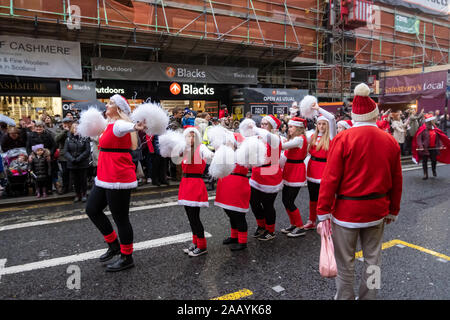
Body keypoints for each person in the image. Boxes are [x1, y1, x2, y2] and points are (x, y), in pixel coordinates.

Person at [316, 83, 403, 300]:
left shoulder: (343, 139)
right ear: (374, 115)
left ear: (354, 116)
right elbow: (397, 180)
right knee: (374, 260)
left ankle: (345, 297)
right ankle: (369, 296)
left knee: (345, 261)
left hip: (346, 212)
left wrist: (323, 210)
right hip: (377, 210)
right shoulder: (390, 140)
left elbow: (330, 178)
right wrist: (393, 209)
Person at [85, 94, 146, 272]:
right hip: (105, 175)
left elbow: (127, 126)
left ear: (118, 109)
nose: (106, 105)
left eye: (110, 103)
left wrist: (135, 126)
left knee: (120, 218)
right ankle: (113, 245)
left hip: (118, 176)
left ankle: (127, 257)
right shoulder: (109, 124)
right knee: (92, 209)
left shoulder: (119, 124)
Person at [178, 126, 214, 257]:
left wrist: (212, 155)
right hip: (186, 183)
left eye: (193, 136)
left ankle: (202, 246)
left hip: (195, 184)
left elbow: (209, 155)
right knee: (190, 217)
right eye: (189, 135)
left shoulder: (201, 147)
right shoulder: (184, 148)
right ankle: (196, 243)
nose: (191, 138)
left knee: (195, 217)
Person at [249, 115, 283, 241]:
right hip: (256, 174)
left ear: (272, 127)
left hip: (270, 175)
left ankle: (270, 230)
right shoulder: (259, 137)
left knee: (268, 205)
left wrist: (255, 128)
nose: (262, 126)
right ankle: (261, 225)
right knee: (254, 202)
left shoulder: (275, 138)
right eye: (261, 124)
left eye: (265, 124)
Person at [303, 101, 337, 230]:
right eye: (319, 124)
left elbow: (332, 118)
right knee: (312, 197)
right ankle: (312, 220)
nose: (321, 126)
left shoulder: (332, 137)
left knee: (326, 198)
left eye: (324, 124)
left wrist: (319, 109)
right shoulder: (311, 136)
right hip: (312, 169)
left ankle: (328, 220)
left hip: (324, 170)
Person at [214, 132, 250, 251]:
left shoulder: (243, 154)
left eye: (229, 141)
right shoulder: (224, 153)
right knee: (229, 212)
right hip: (225, 183)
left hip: (238, 184)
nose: (227, 143)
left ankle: (242, 241)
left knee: (238, 214)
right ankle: (234, 236)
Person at [280, 117, 308, 238]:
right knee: (285, 200)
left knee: (289, 201)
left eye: (291, 127)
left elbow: (282, 146)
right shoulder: (294, 139)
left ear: (298, 128)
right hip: (289, 170)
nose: (288, 129)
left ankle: (300, 226)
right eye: (289, 126)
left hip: (296, 171)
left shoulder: (300, 139)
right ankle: (294, 224)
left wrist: (271, 138)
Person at [413, 114, 450, 179]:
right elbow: (418, 138)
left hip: (434, 148)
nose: (431, 122)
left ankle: (433, 170)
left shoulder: (435, 129)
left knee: (434, 160)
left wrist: (441, 145)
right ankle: (425, 174)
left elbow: (438, 138)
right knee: (424, 161)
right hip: (425, 148)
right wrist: (421, 146)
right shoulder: (422, 129)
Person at [64, 122, 91, 202]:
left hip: (82, 163)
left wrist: (79, 158)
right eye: (75, 128)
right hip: (72, 163)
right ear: (72, 129)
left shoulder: (85, 138)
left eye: (78, 128)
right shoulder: (68, 139)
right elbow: (65, 151)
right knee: (75, 180)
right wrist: (72, 159)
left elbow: (87, 150)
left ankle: (84, 194)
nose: (76, 130)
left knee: (83, 180)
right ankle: (77, 194)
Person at [55, 117, 74, 194]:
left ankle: (72, 187)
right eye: (65, 123)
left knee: (72, 172)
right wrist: (64, 131)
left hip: (73, 153)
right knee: (65, 172)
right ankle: (65, 187)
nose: (67, 124)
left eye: (69, 123)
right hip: (63, 155)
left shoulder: (73, 129)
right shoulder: (59, 129)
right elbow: (56, 139)